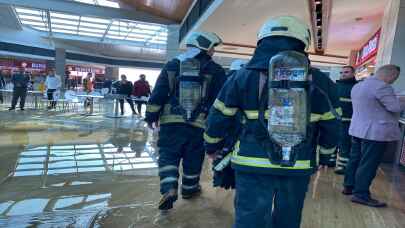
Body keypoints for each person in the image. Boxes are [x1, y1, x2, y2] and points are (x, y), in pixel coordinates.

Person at [204, 16, 339, 228]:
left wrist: (212, 145)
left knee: (250, 217)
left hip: (251, 162)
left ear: (261, 40)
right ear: (303, 41)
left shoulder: (242, 77)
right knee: (289, 218)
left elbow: (219, 115)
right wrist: (326, 156)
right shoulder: (321, 81)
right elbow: (332, 123)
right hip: (298, 163)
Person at [145, 31, 226, 211]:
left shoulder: (173, 64)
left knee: (168, 154)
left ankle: (169, 188)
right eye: (212, 47)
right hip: (199, 125)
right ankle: (189, 190)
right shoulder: (217, 70)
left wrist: (151, 116)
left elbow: (159, 92)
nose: (213, 51)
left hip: (170, 122)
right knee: (194, 157)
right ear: (204, 46)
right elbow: (219, 102)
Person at [343, 64, 405, 207]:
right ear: (391, 74)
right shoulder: (382, 87)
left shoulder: (358, 86)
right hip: (375, 133)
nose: (394, 81)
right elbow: (394, 107)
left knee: (355, 160)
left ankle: (349, 186)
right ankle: (361, 194)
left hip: (358, 130)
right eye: (395, 77)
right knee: (368, 164)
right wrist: (402, 100)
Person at [334, 65, 357, 175]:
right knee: (332, 141)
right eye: (342, 72)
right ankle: (330, 161)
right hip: (334, 120)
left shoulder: (357, 87)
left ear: (353, 73)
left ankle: (342, 165)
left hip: (348, 121)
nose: (343, 74)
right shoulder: (335, 86)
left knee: (345, 144)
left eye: (346, 72)